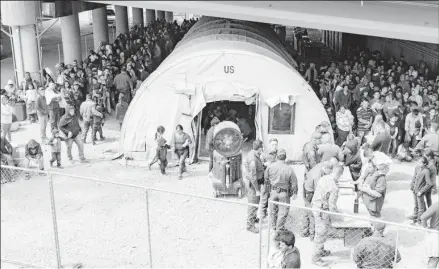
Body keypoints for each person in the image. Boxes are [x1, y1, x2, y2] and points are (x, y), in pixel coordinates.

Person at [311, 165, 343, 266]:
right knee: (321, 233)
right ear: (340, 175)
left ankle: (321, 250)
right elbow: (332, 206)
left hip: (316, 206)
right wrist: (339, 216)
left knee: (322, 231)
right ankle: (316, 258)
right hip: (322, 210)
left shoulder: (324, 177)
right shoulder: (334, 187)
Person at [301, 159, 338, 239]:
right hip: (309, 192)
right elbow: (318, 192)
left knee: (310, 212)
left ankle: (307, 231)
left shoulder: (323, 165)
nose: (331, 172)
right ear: (327, 169)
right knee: (311, 214)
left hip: (308, 188)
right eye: (331, 170)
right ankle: (311, 234)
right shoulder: (318, 175)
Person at [264, 149, 298, 231]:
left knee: (273, 210)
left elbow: (266, 179)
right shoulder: (289, 169)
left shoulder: (270, 167)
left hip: (273, 191)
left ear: (277, 157)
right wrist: (295, 193)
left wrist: (268, 191)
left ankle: (273, 227)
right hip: (284, 193)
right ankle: (280, 228)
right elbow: (294, 182)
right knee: (283, 212)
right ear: (285, 157)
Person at [243, 139, 264, 234]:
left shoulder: (254, 154)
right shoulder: (253, 159)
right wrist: (257, 190)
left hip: (254, 183)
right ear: (259, 149)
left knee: (256, 202)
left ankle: (254, 218)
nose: (262, 150)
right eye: (261, 148)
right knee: (253, 204)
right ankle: (250, 225)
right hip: (253, 185)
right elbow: (253, 177)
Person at [410, 157, 433, 226]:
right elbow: (414, 177)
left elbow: (429, 184)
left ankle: (419, 221)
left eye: (420, 162)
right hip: (414, 190)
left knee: (421, 208)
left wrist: (421, 191)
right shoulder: (417, 168)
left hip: (420, 193)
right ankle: (415, 218)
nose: (418, 163)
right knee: (416, 205)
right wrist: (412, 185)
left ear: (425, 164)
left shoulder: (426, 171)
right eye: (418, 162)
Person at [420, 202, 439, 268]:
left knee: (434, 259)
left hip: (435, 234)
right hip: (436, 234)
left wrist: (426, 227)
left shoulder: (436, 205)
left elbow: (423, 217)